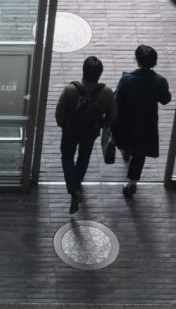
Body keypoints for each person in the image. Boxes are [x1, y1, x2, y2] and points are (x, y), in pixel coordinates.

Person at [55, 55, 117, 214]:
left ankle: (72, 188)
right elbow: (112, 116)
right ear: (100, 74)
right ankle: (77, 182)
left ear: (83, 71)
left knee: (67, 156)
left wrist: (64, 125)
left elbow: (59, 114)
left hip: (71, 131)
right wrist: (100, 123)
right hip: (90, 132)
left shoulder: (70, 89)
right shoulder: (107, 92)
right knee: (84, 156)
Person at [114, 44, 171, 199]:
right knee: (140, 153)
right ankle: (132, 183)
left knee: (127, 141)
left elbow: (117, 100)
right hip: (148, 122)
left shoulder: (127, 79)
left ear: (137, 61)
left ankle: (126, 151)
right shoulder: (160, 81)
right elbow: (165, 99)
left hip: (128, 121)